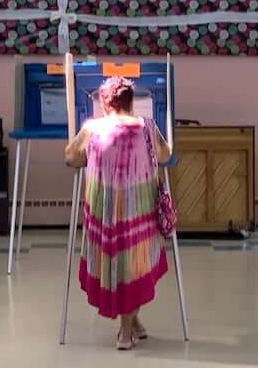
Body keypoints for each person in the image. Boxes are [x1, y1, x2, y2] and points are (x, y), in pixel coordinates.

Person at [65, 76, 172, 350]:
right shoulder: (148, 127)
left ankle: (128, 329)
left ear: (105, 103)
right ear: (131, 101)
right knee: (134, 266)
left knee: (119, 268)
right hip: (139, 215)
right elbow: (165, 155)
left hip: (106, 216)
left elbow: (71, 158)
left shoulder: (93, 128)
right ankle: (129, 329)